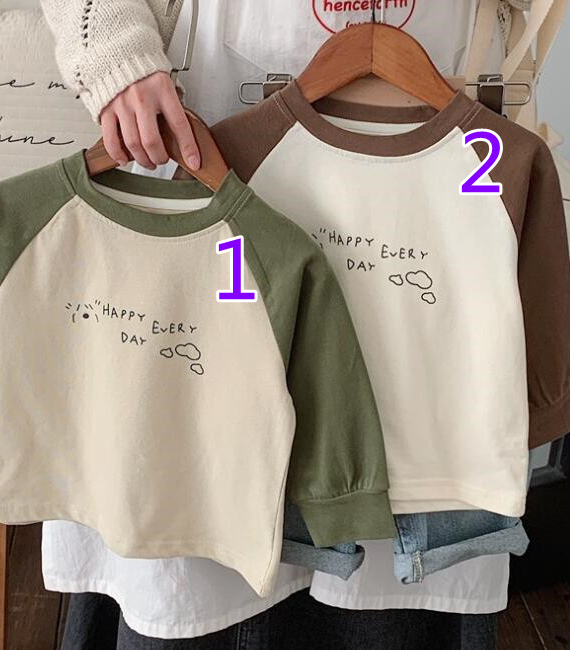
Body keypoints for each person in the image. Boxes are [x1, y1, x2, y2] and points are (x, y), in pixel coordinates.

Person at [40, 2, 525, 648]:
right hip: (206, 114)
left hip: (438, 120)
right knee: (201, 503)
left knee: (401, 504)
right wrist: (112, 50)